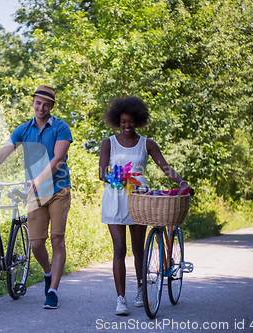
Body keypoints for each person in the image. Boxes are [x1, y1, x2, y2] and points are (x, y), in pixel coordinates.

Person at [0, 85, 73, 309]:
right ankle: (48, 273)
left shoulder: (61, 128)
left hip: (58, 190)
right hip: (35, 192)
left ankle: (53, 290)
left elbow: (57, 160)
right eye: (38, 102)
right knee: (36, 245)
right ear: (33, 103)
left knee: (57, 239)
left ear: (51, 106)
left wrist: (39, 179)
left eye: (46, 104)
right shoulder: (23, 130)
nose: (41, 107)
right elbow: (3, 153)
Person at [98, 96, 191, 315]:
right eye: (122, 122)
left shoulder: (146, 143)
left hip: (139, 198)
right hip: (115, 197)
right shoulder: (108, 143)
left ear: (137, 121)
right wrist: (118, 178)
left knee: (139, 249)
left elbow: (165, 167)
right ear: (117, 121)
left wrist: (182, 182)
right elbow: (102, 173)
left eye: (130, 121)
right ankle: (121, 299)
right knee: (119, 247)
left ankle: (141, 289)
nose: (126, 125)